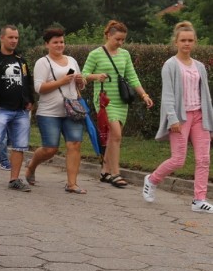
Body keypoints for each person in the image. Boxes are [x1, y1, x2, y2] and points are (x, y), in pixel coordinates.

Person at [143, 21, 213, 212]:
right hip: (180, 119)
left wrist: (210, 122)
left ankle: (199, 200)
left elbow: (205, 95)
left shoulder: (199, 66)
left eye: (190, 40)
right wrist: (172, 118)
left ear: (195, 42)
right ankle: (151, 179)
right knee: (178, 160)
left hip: (200, 116)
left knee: (204, 159)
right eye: (183, 40)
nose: (187, 44)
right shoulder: (170, 65)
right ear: (176, 42)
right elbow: (167, 95)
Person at [82, 20, 154, 187]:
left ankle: (105, 172)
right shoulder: (96, 54)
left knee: (114, 138)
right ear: (108, 35)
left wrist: (144, 95)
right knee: (117, 135)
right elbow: (84, 74)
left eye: (123, 40)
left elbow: (132, 76)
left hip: (121, 101)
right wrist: (96, 76)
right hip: (105, 101)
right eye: (117, 39)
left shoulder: (125, 54)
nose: (120, 43)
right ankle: (116, 173)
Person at [25, 27, 88, 194]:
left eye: (62, 41)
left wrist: (81, 81)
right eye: (55, 42)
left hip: (72, 110)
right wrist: (61, 81)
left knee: (74, 144)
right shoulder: (42, 62)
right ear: (47, 44)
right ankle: (31, 166)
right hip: (49, 112)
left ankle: (72, 184)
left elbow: (79, 85)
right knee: (50, 149)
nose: (59, 45)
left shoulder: (72, 60)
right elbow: (39, 88)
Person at [0, 25, 35, 191]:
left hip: (20, 110)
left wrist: (30, 99)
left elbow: (27, 81)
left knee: (19, 145)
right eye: (11, 37)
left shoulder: (21, 60)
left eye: (16, 38)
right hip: (0, 109)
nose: (14, 41)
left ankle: (14, 180)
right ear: (2, 38)